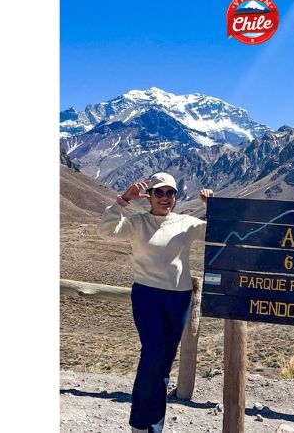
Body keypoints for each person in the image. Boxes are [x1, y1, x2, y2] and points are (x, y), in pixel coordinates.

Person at [97, 172, 213, 433]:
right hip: (147, 296)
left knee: (163, 362)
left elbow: (219, 233)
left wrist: (211, 206)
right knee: (152, 355)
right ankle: (140, 423)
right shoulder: (137, 223)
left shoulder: (186, 223)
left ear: (175, 196)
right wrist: (123, 200)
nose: (164, 197)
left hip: (179, 298)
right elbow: (105, 229)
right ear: (148, 196)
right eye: (158, 192)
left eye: (169, 192)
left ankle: (152, 426)